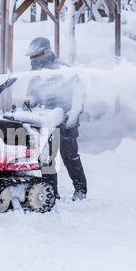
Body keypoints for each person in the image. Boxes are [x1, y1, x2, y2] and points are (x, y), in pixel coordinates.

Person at [25, 37, 87, 201]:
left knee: (70, 156)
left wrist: (74, 114)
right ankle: (51, 191)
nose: (32, 60)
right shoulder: (36, 75)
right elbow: (32, 95)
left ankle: (80, 190)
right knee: (47, 158)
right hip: (46, 121)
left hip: (66, 120)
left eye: (35, 56)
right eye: (31, 57)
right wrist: (30, 101)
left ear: (45, 53)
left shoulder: (63, 69)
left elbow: (79, 91)